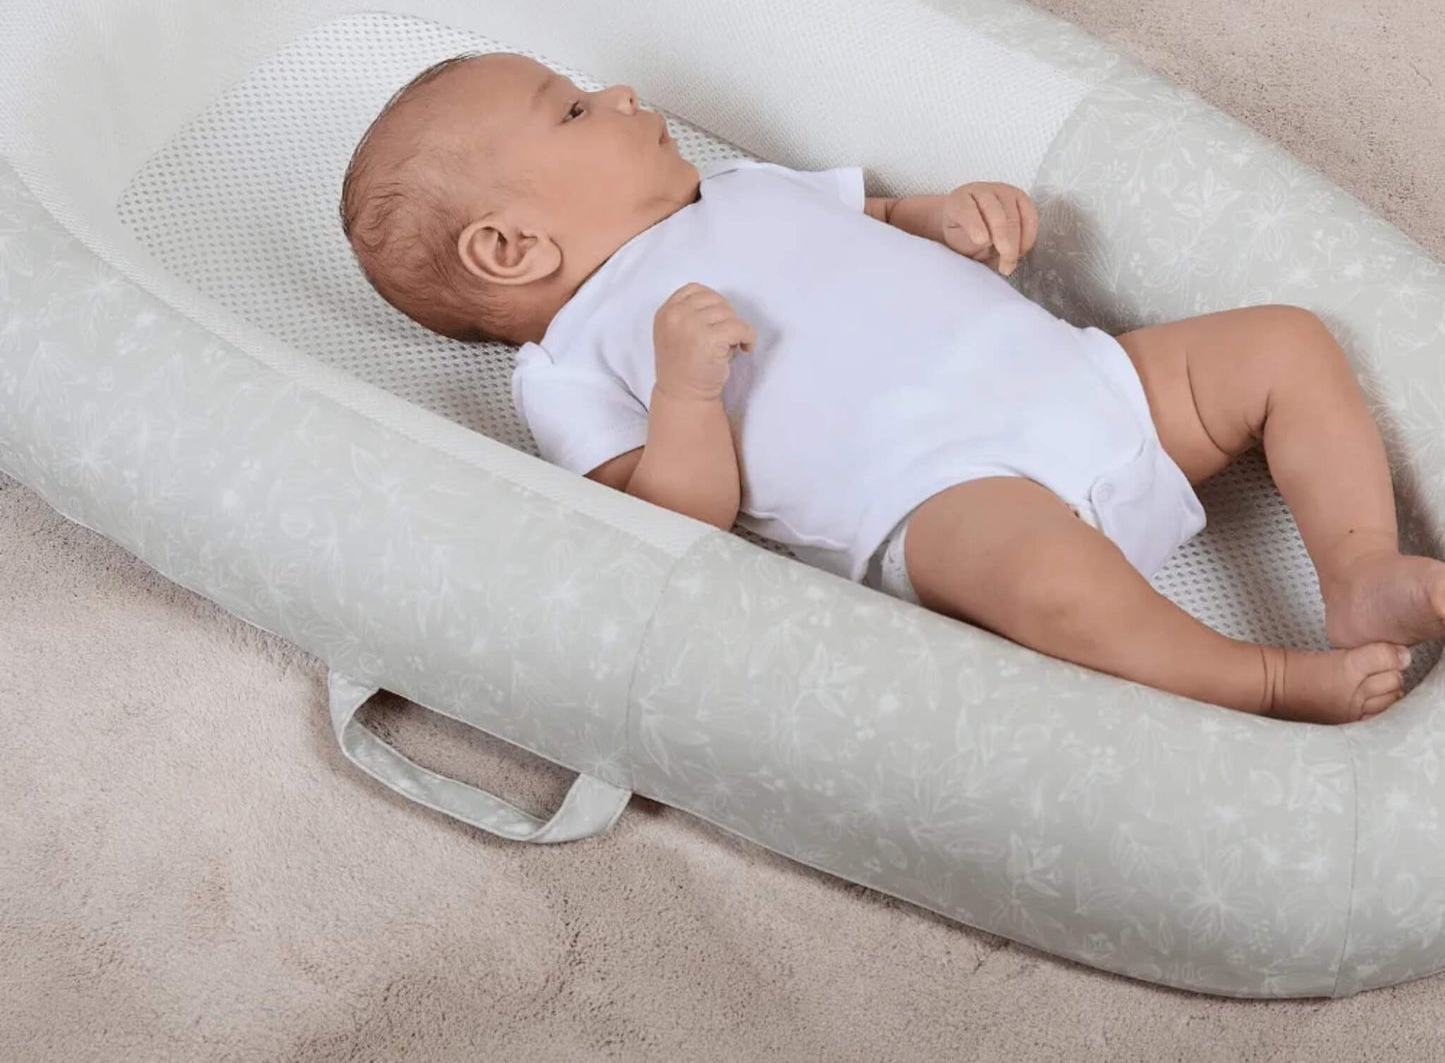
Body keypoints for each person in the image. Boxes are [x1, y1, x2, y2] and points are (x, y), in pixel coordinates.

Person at [339, 50, 1434, 724]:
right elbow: (674, 525)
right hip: (939, 494)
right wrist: (682, 394)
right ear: (507, 248)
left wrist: (951, 215)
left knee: (1284, 343)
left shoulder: (742, 187)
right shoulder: (570, 361)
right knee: (1053, 591)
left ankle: (1357, 570)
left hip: (1079, 379)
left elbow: (881, 223)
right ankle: (1256, 681)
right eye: (573, 109)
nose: (617, 91)